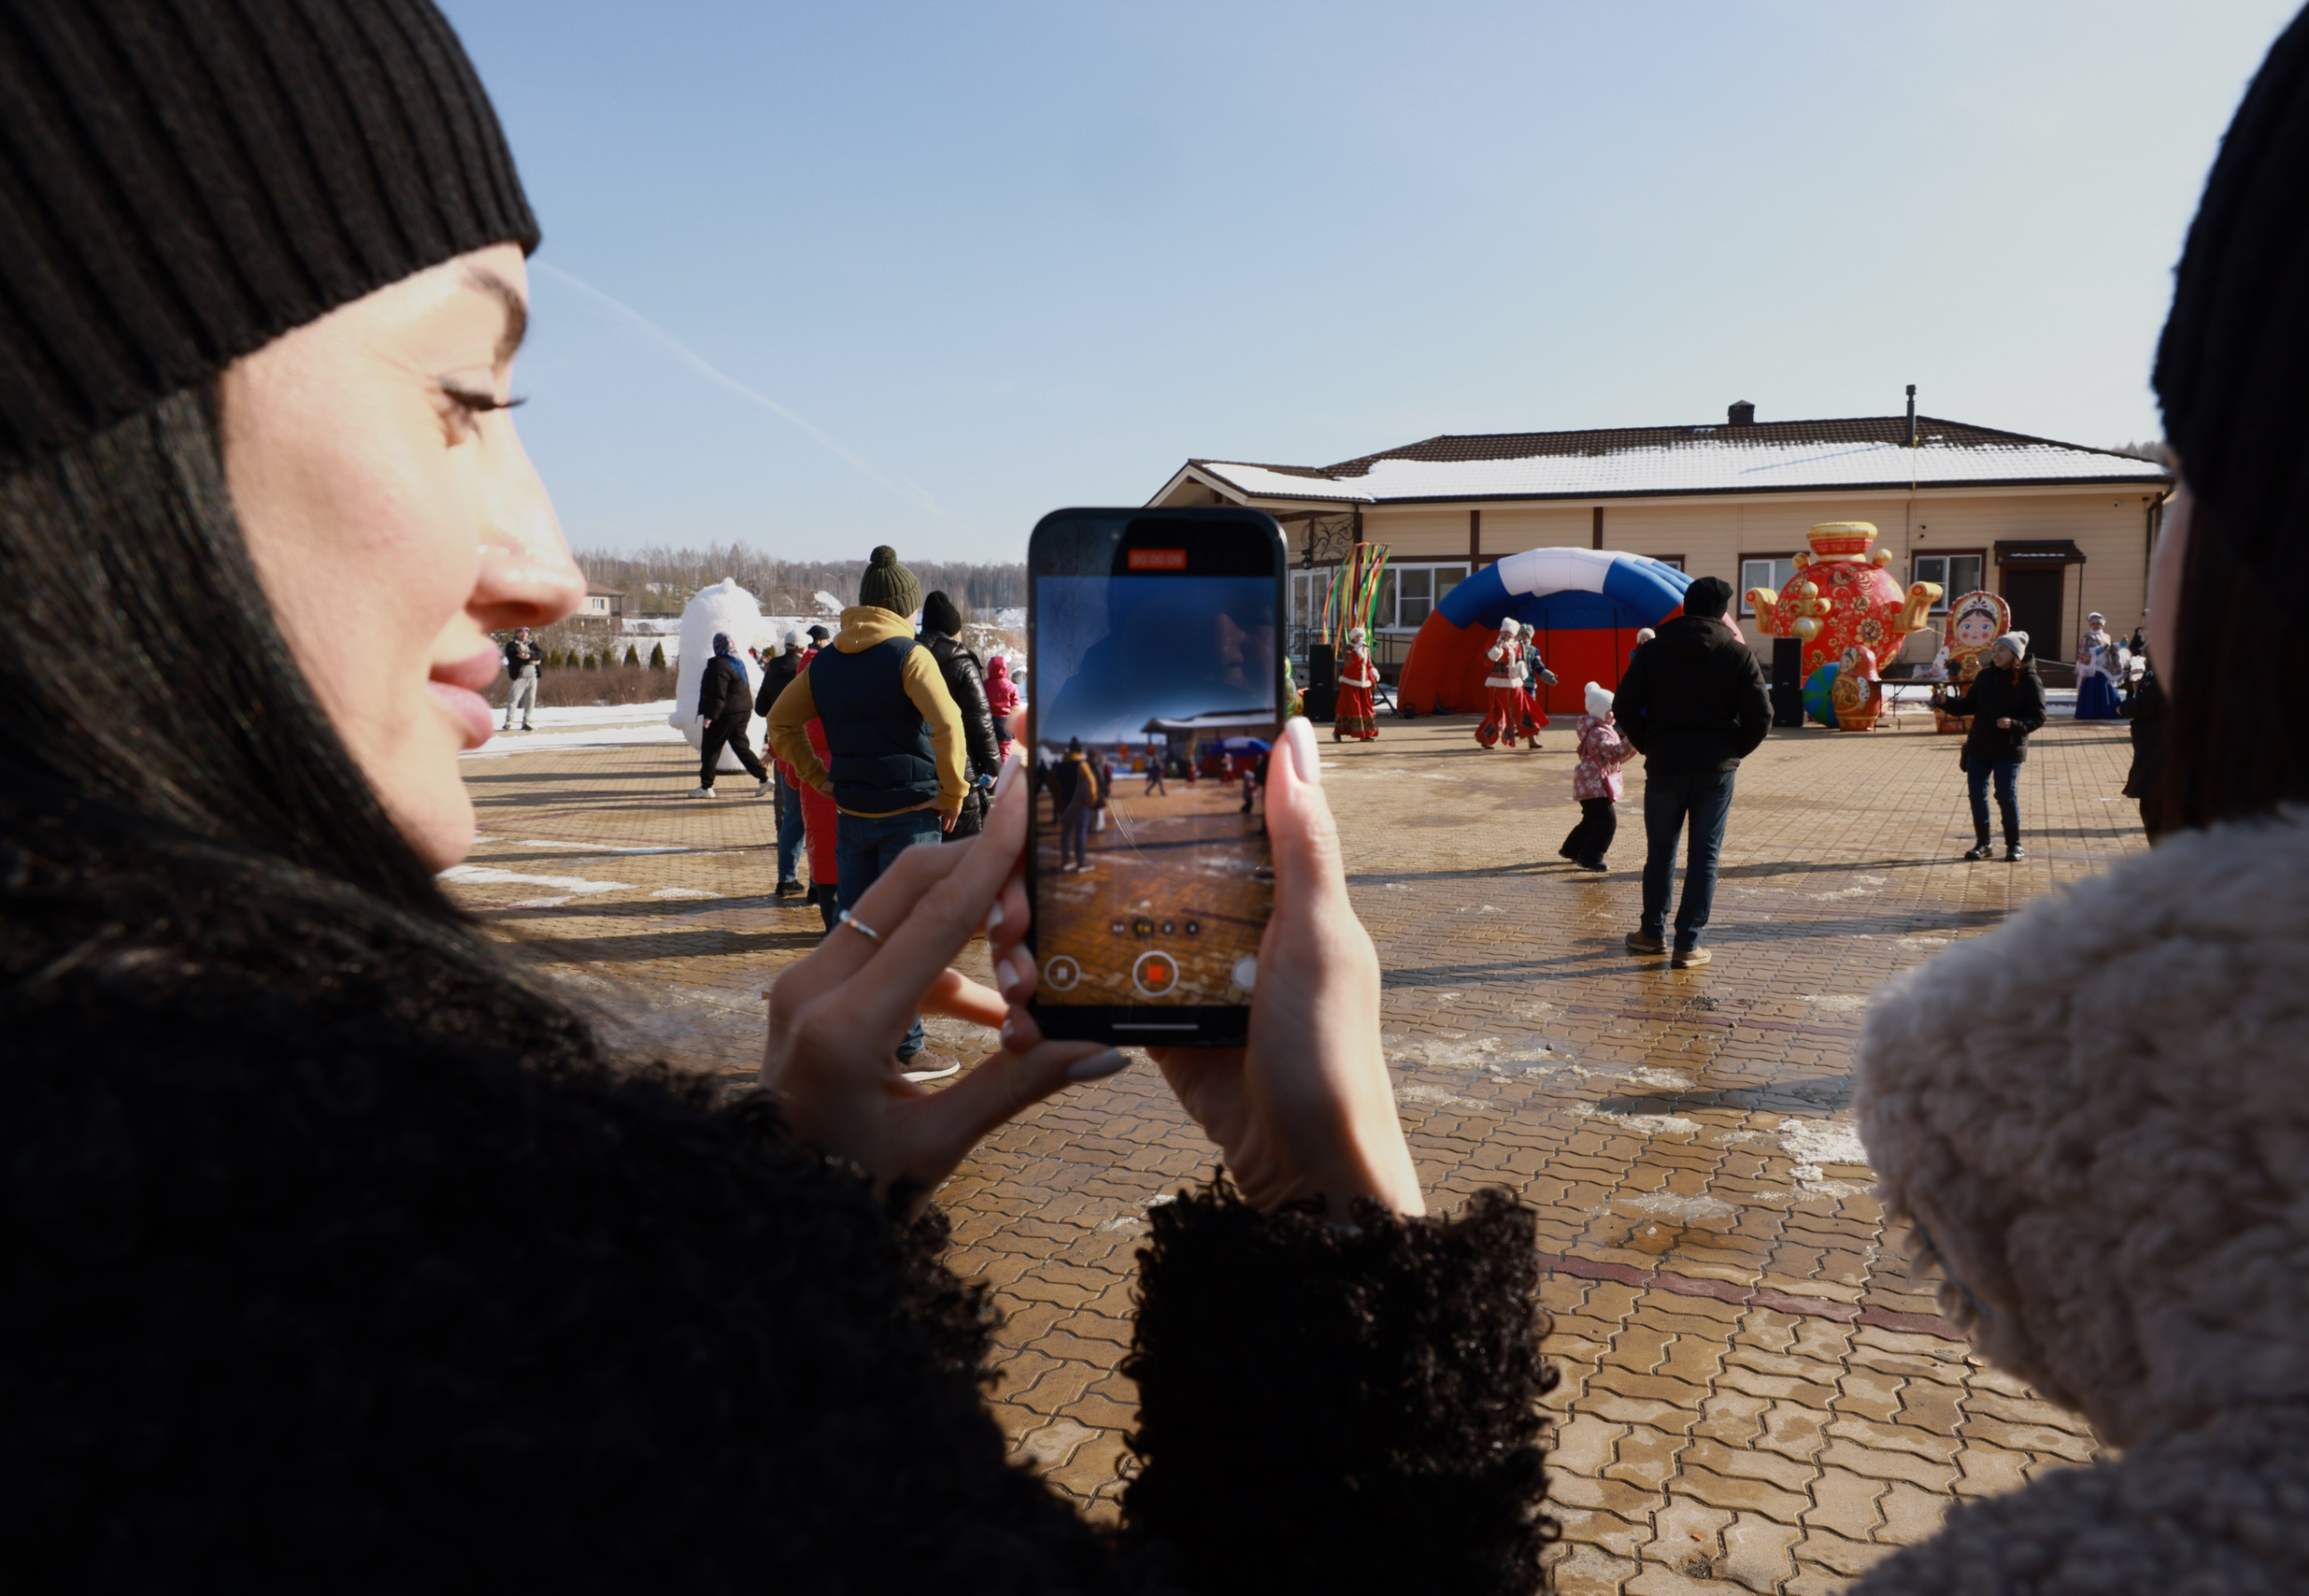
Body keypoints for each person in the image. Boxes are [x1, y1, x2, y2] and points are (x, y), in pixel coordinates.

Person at [0, 7, 1553, 1587]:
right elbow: (966, 757)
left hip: (838, 833)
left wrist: (793, 810)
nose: (549, 568)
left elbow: (790, 729)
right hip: (919, 835)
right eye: (465, 395)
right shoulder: (485, 1302)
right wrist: (1327, 1208)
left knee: (859, 938)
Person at [1853, 9, 2309, 1589]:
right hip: (1986, 764)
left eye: (2180, 480)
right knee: (1990, 806)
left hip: (2010, 764)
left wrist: (1326, 1195)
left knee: (2001, 806)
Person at [765, 547, 969, 1076]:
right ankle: (904, 1050)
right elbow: (948, 725)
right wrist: (953, 793)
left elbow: (780, 726)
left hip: (853, 815)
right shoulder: (910, 654)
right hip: (911, 814)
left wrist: (819, 779)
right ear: (903, 607)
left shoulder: (826, 661)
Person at [1610, 575, 1771, 969]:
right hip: (1715, 768)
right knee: (1705, 857)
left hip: (1665, 763)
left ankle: (1651, 933)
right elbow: (1761, 715)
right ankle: (1688, 944)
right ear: (1722, 612)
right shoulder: (1738, 654)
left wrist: (1650, 742)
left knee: (1660, 852)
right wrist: (1733, 750)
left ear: (1686, 606)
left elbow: (1624, 704)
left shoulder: (1653, 651)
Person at [1929, 631, 2045, 862]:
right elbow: (1967, 706)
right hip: (1979, 745)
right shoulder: (1985, 677)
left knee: (2005, 794)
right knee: (1977, 794)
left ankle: (2014, 845)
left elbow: (2038, 717)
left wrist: (2015, 724)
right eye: (1995, 650)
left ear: (2015, 654)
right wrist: (1946, 702)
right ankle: (1984, 844)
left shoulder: (2029, 680)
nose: (1996, 654)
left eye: (2002, 650)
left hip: (2009, 747)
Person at [920, 591, 1003, 841]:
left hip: (918, 763)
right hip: (959, 763)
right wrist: (992, 763)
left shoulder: (907, 655)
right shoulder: (961, 660)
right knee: (963, 849)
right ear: (954, 629)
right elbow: (979, 718)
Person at [758, 628, 813, 897]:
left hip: (782, 752)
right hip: (812, 755)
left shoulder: (772, 670)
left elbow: (760, 708)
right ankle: (820, 883)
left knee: (791, 819)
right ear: (803, 649)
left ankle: (786, 879)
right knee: (817, 821)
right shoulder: (809, 674)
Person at [1560, 683, 1633, 871]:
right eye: (1610, 712)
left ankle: (1571, 849)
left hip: (1589, 784)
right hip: (1594, 785)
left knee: (1591, 819)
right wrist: (1633, 740)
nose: (1613, 716)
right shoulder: (1599, 732)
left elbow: (1613, 757)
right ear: (1600, 712)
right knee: (1607, 822)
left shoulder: (1597, 728)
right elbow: (1613, 753)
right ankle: (1591, 857)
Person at [691, 630, 769, 798]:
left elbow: (719, 693)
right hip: (742, 711)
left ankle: (706, 787)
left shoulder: (719, 664)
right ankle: (764, 779)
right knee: (741, 748)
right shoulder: (736, 661)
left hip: (725, 713)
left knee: (710, 749)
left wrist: (711, 716)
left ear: (717, 646)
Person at [2118, 656, 2166, 845]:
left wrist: (2126, 707)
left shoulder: (2167, 657)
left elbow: (2151, 702)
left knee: (2157, 816)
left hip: (2159, 755)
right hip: (2155, 752)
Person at [1475, 617, 1528, 748]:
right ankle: (1485, 739)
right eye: (1503, 634)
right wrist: (1497, 649)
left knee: (1521, 711)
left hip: (1513, 685)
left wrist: (1521, 669)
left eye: (1508, 635)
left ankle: (1531, 738)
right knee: (1496, 713)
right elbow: (1487, 663)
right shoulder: (1492, 644)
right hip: (1496, 685)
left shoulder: (1517, 648)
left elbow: (1521, 663)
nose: (1505, 636)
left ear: (1513, 636)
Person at [1054, 736, 1100, 870]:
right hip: (1081, 803)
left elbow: (1052, 781)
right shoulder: (1081, 764)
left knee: (1066, 832)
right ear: (1079, 751)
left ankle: (1066, 860)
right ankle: (1081, 862)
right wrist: (1092, 798)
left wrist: (1058, 795)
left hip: (1066, 802)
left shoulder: (1061, 764)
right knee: (1080, 832)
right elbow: (1091, 781)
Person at [1333, 626, 1380, 742]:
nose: (1359, 638)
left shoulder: (1365, 648)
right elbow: (1349, 664)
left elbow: (1368, 663)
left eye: (1360, 636)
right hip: (1350, 682)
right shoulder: (1347, 648)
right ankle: (1338, 732)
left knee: (1366, 708)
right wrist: (1357, 651)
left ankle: (1365, 733)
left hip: (1364, 683)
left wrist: (1374, 671)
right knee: (1348, 707)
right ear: (1352, 638)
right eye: (1356, 636)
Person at [2074, 609, 2122, 719]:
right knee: (2092, 690)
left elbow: (2112, 649)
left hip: (2105, 668)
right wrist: (2098, 650)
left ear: (2102, 625)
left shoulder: (2107, 637)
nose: (2096, 626)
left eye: (2098, 624)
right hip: (2093, 669)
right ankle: (2091, 713)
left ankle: (2108, 712)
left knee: (2107, 689)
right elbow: (2083, 652)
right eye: (2094, 624)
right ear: (2091, 624)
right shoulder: (2087, 637)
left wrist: (2121, 644)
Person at [1516, 622, 1557, 749]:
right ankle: (1488, 739)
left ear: (1530, 636)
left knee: (1528, 709)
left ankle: (1531, 735)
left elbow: (1538, 666)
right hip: (1513, 683)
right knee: (1511, 709)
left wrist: (1548, 676)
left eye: (1525, 634)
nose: (1523, 636)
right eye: (1521, 633)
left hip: (1528, 683)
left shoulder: (1533, 650)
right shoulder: (1512, 647)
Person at [501, 626, 543, 730]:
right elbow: (514, 659)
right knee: (513, 699)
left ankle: (526, 721)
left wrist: (528, 656)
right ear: (517, 634)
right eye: (521, 633)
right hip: (519, 677)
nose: (523, 635)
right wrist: (530, 661)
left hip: (532, 676)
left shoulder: (532, 644)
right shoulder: (511, 645)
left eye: (525, 633)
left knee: (531, 700)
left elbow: (540, 655)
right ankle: (509, 721)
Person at [982, 652, 1020, 760]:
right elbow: (1016, 707)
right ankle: (1002, 773)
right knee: (1004, 751)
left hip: (987, 721)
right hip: (1005, 722)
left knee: (988, 751)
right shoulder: (1011, 686)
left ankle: (990, 773)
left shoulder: (984, 684)